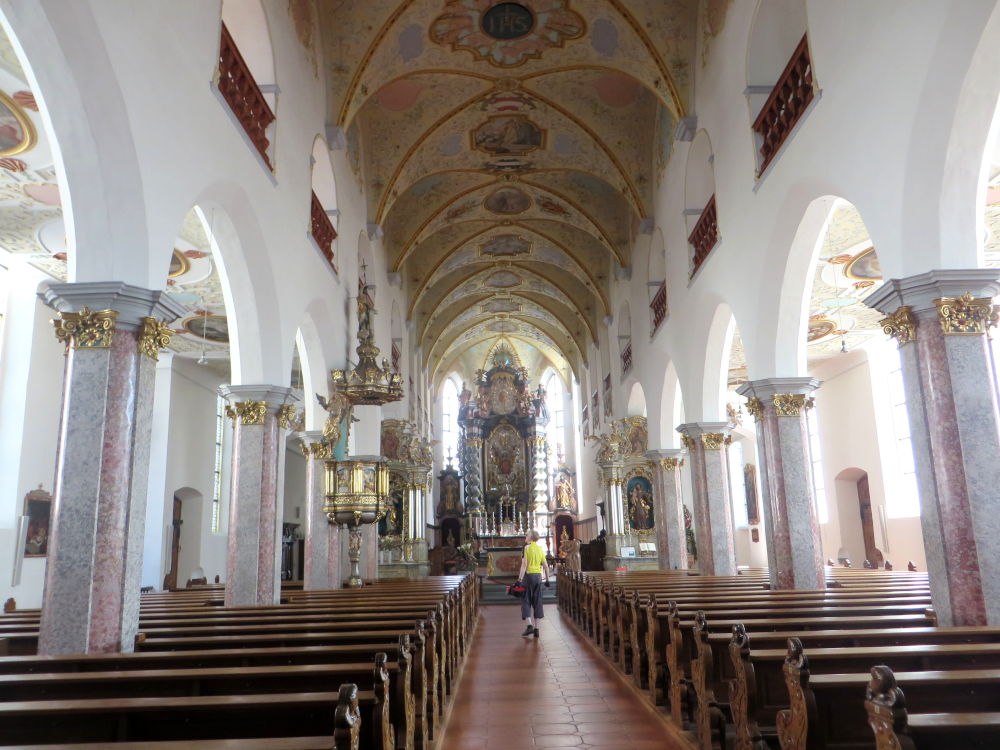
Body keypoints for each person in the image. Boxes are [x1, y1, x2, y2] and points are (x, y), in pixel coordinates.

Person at [516, 529, 551, 638]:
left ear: (531, 537)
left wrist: (519, 579)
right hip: (538, 577)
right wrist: (548, 580)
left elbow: (524, 565)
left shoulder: (526, 548)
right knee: (537, 601)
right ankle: (536, 629)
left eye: (527, 535)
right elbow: (545, 566)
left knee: (525, 600)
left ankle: (529, 625)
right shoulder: (540, 549)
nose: (526, 536)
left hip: (528, 576)